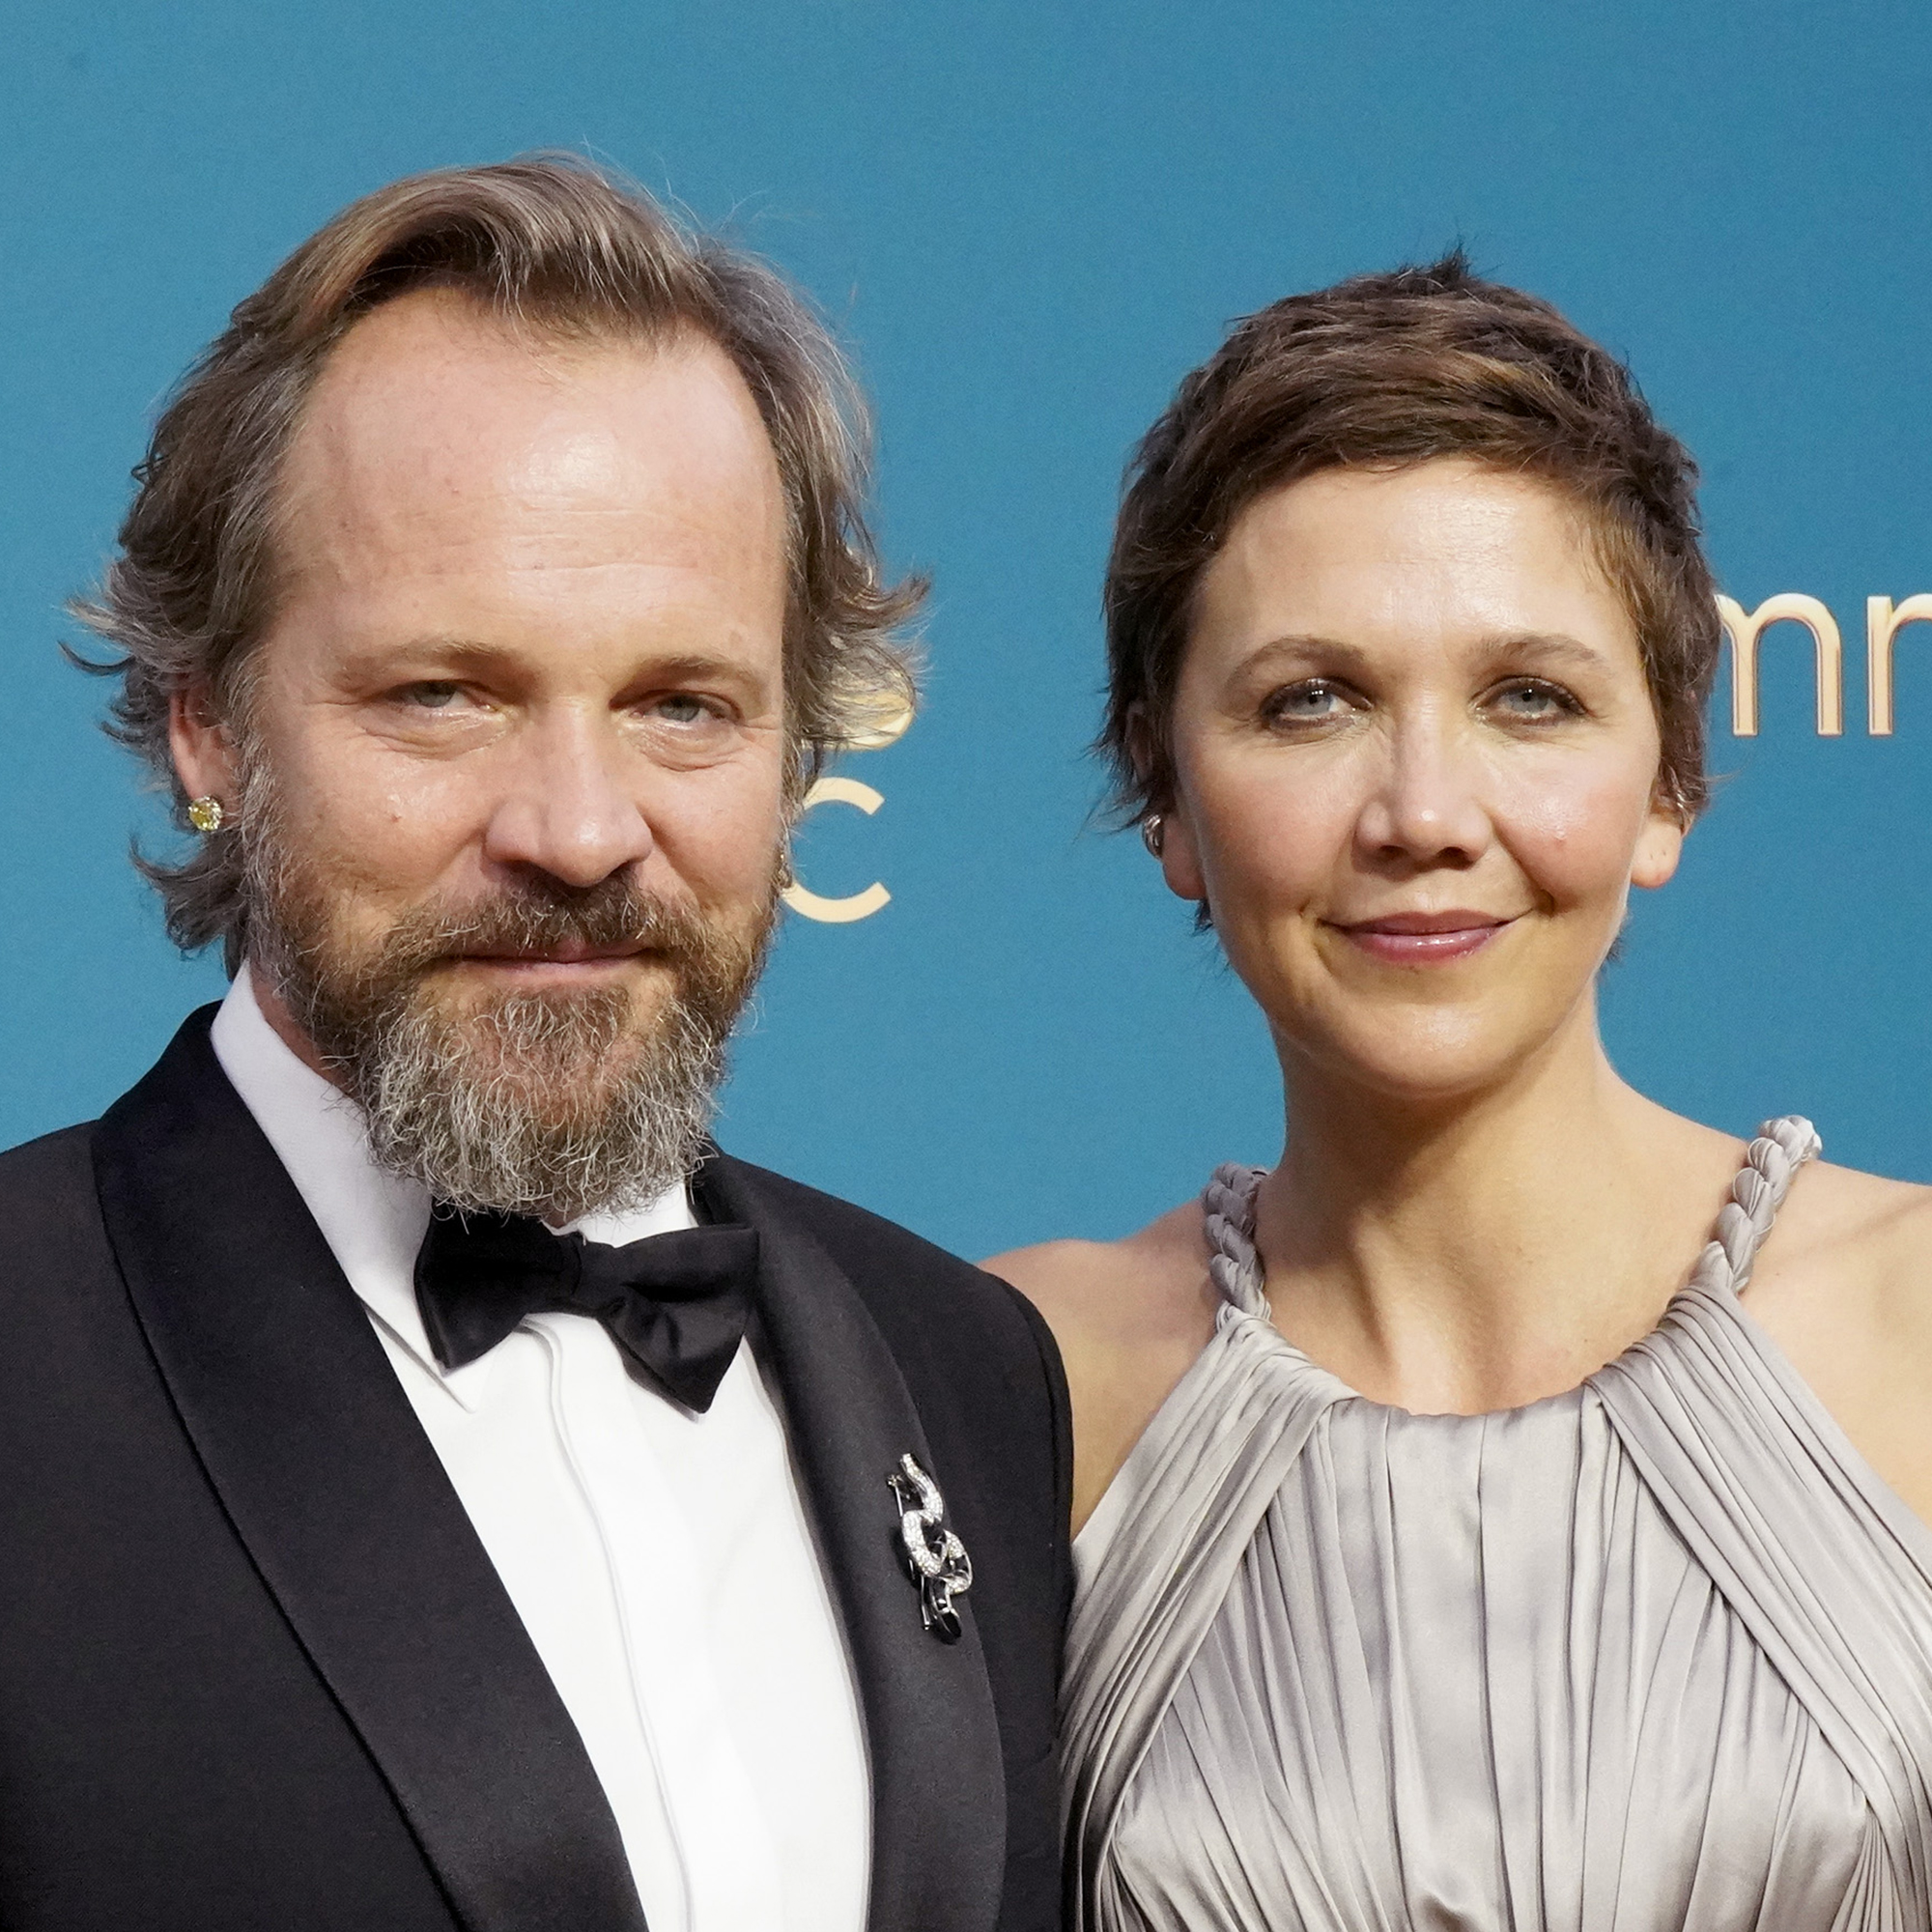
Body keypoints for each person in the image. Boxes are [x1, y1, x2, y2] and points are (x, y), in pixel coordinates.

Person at [0, 157, 1070, 1932]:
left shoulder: (964, 1371)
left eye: (681, 705)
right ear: (208, 726)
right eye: (445, 695)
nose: (578, 830)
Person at [991, 254, 1932, 1931]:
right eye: (1312, 701)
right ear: (1169, 799)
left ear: (1672, 783)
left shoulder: (1917, 1319)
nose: (1423, 809)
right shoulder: (1012, 1391)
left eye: (1529, 698)